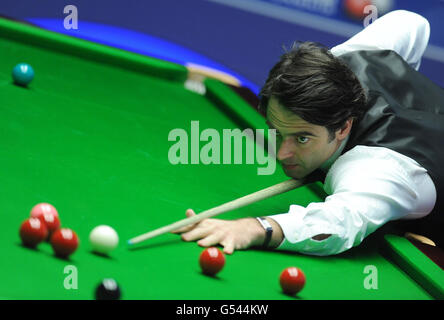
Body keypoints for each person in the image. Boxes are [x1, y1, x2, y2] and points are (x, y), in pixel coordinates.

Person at [173, 10, 444, 256]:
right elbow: (411, 22)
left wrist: (254, 228)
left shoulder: (375, 168)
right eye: (277, 132)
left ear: (343, 128)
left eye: (302, 138)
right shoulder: (344, 61)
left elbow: (339, 224)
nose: (282, 154)